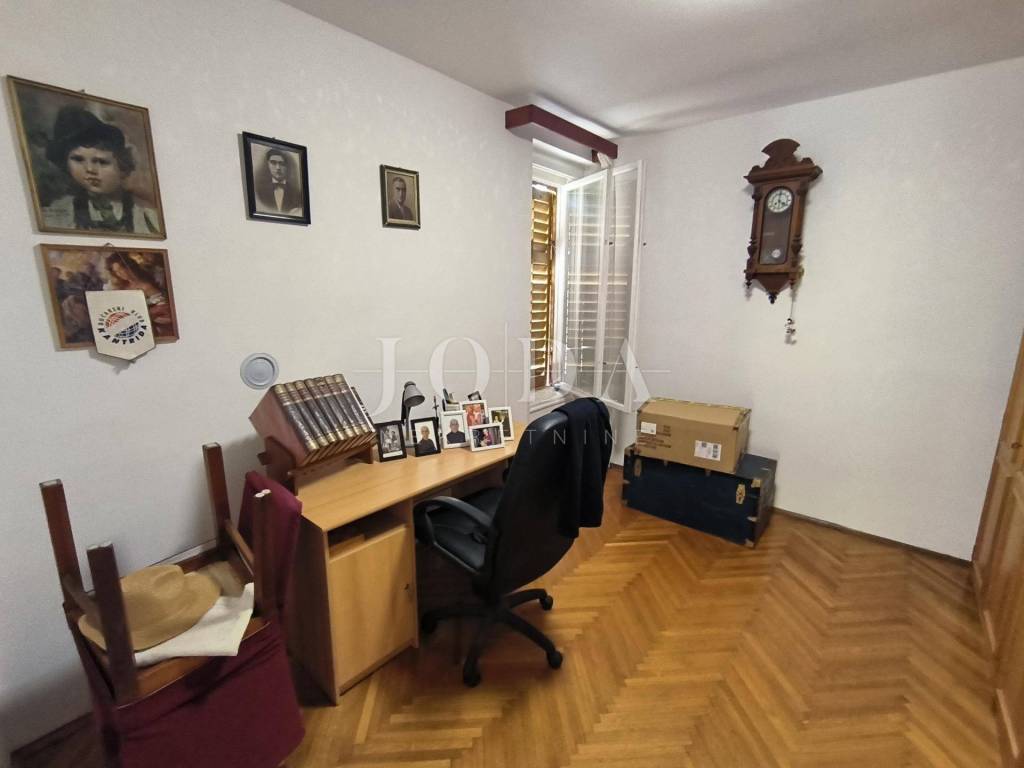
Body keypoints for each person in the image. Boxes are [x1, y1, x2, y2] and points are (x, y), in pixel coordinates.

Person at [42, 106, 161, 234]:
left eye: (101, 161)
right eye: (78, 159)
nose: (90, 169)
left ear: (122, 164)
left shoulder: (146, 214)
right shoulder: (59, 213)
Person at [104, 251, 173, 337]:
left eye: (121, 269)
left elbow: (164, 308)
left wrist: (148, 313)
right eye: (116, 271)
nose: (120, 274)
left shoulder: (145, 286)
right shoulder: (120, 287)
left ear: (128, 266)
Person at [254, 148, 303, 215]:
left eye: (282, 163)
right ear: (268, 165)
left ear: (287, 166)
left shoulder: (297, 193)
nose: (278, 168)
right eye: (273, 163)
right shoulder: (259, 192)